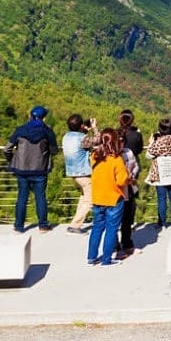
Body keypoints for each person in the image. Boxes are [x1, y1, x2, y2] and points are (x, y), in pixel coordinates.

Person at [6, 105, 57, 233]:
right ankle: (43, 226)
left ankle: (19, 226)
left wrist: (12, 159)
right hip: (40, 169)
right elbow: (54, 150)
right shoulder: (47, 132)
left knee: (22, 197)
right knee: (40, 197)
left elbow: (7, 148)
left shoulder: (20, 130)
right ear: (44, 118)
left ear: (30, 116)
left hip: (22, 169)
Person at [87, 128, 130, 266]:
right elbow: (121, 181)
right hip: (114, 198)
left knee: (97, 227)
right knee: (111, 229)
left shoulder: (94, 156)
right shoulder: (117, 159)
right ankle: (106, 259)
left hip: (97, 198)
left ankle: (91, 257)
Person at [61, 114, 97, 233]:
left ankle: (76, 223)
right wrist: (94, 128)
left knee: (84, 197)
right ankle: (75, 226)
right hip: (83, 173)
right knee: (90, 199)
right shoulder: (83, 138)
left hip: (72, 172)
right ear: (81, 125)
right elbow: (100, 139)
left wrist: (84, 130)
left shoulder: (66, 136)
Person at [146, 119, 171, 228]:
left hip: (161, 174)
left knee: (161, 199)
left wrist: (151, 142)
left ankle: (162, 222)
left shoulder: (158, 142)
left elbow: (148, 155)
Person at [117, 110, 144, 246]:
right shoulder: (136, 135)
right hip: (131, 169)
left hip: (115, 177)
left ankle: (114, 241)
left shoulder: (115, 133)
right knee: (129, 202)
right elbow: (139, 150)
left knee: (116, 206)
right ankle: (126, 236)